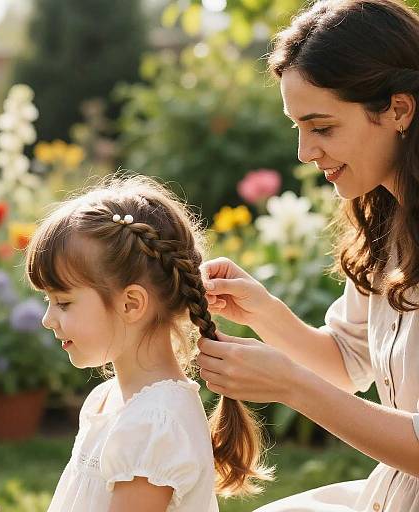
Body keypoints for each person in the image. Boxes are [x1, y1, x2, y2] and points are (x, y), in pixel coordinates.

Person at [197, 0, 419, 510]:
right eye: (297, 126)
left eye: (322, 127)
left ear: (399, 110)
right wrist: (262, 312)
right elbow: (347, 361)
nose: (304, 151)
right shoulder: (388, 224)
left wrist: (290, 386)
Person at [23, 175, 273, 512]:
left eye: (63, 303)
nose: (47, 319)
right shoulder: (109, 400)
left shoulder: (154, 424)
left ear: (131, 304)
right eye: (48, 302)